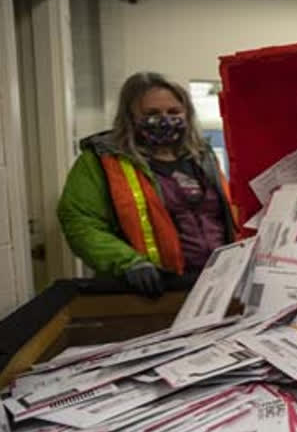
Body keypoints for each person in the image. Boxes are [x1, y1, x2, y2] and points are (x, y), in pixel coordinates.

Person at [58, 72, 237, 297]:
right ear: (130, 117)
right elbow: (80, 221)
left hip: (216, 284)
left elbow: (226, 216)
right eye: (152, 113)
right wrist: (128, 263)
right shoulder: (103, 160)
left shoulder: (203, 157)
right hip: (150, 290)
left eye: (174, 112)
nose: (165, 120)